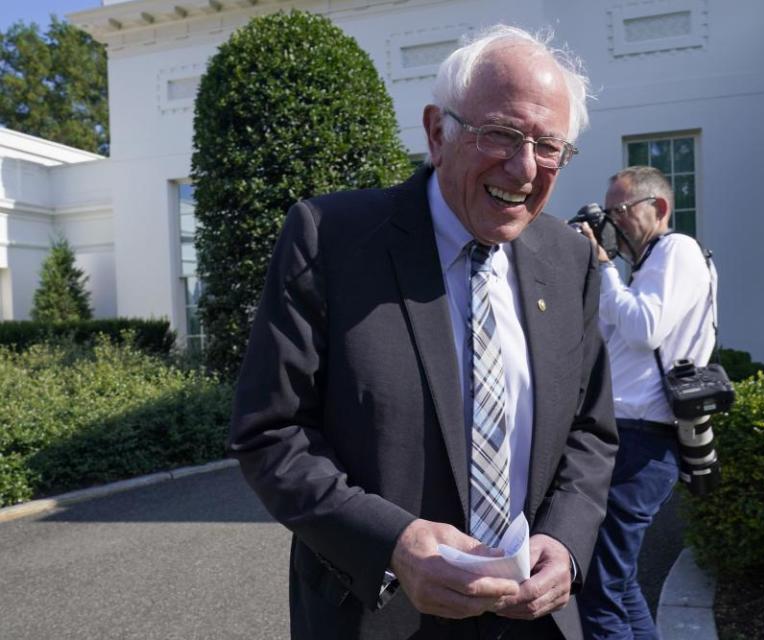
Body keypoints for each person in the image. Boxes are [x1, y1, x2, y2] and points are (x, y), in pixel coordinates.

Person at [228, 24, 618, 640]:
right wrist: (394, 544)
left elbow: (590, 431)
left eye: (549, 147)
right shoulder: (330, 239)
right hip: (375, 614)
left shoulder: (569, 260)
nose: (524, 168)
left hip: (533, 622)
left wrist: (564, 543)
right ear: (438, 132)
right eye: (502, 134)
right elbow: (270, 432)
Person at [576, 166, 718, 640]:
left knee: (600, 585)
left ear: (658, 208)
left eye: (619, 211)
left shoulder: (677, 249)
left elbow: (643, 328)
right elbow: (610, 339)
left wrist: (602, 268)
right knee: (618, 579)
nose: (613, 223)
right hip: (629, 435)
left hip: (644, 440)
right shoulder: (646, 265)